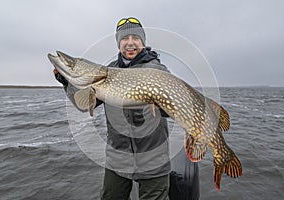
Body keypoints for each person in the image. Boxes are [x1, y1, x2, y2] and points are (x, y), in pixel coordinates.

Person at [53, 17, 200, 200]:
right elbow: (84, 104)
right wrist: (67, 82)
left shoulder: (158, 70)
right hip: (117, 160)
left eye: (135, 38)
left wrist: (165, 108)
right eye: (124, 39)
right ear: (118, 43)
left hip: (154, 160)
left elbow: (176, 106)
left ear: (143, 42)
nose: (130, 43)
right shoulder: (107, 73)